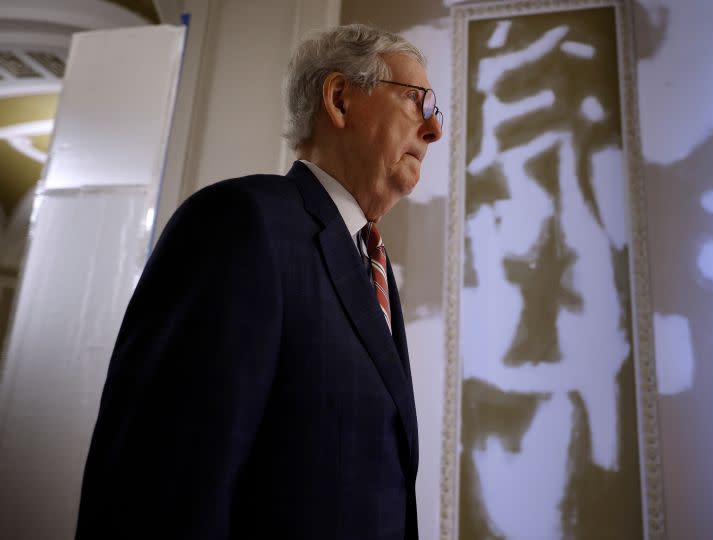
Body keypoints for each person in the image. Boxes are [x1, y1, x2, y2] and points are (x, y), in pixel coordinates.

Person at [75, 24, 442, 540]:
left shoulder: (370, 264)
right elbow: (159, 487)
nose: (434, 130)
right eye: (417, 101)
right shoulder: (239, 223)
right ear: (339, 99)